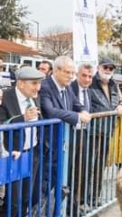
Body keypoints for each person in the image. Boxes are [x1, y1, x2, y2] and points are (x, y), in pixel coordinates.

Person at [0, 67, 45, 217]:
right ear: (21, 83)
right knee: (12, 201)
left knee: (26, 198)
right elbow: (2, 123)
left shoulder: (34, 97)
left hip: (31, 153)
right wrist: (22, 118)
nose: (38, 88)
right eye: (34, 83)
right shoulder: (6, 97)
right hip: (12, 155)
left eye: (39, 83)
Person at [39, 56, 92, 194]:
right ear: (56, 71)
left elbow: (76, 103)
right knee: (46, 183)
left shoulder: (66, 87)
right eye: (67, 72)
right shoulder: (44, 87)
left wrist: (83, 110)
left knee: (60, 180)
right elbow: (50, 111)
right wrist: (77, 116)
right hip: (48, 144)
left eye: (73, 73)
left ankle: (56, 213)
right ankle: (40, 213)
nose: (71, 76)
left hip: (63, 143)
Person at [87, 57, 122, 206]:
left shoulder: (113, 85)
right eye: (105, 67)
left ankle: (94, 197)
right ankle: (83, 199)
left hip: (107, 131)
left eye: (111, 68)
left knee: (99, 166)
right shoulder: (91, 82)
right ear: (99, 67)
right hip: (91, 132)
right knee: (86, 166)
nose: (108, 70)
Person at [68, 63, 94, 217]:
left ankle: (76, 204)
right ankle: (68, 207)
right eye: (84, 75)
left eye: (90, 76)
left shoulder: (88, 91)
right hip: (70, 134)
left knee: (81, 170)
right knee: (69, 171)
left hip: (83, 134)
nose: (87, 79)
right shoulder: (70, 88)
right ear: (77, 75)